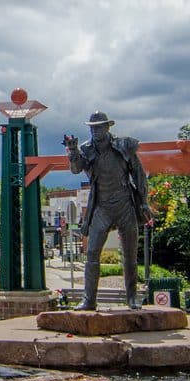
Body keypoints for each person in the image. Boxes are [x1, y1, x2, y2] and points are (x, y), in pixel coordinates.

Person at [65, 110, 151, 310]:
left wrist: (143, 201)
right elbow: (76, 169)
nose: (95, 131)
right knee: (92, 252)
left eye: (99, 127)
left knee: (130, 253)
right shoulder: (86, 149)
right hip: (101, 207)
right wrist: (73, 152)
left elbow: (138, 174)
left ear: (107, 127)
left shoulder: (124, 145)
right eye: (92, 128)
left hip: (124, 205)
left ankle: (132, 297)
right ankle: (89, 300)